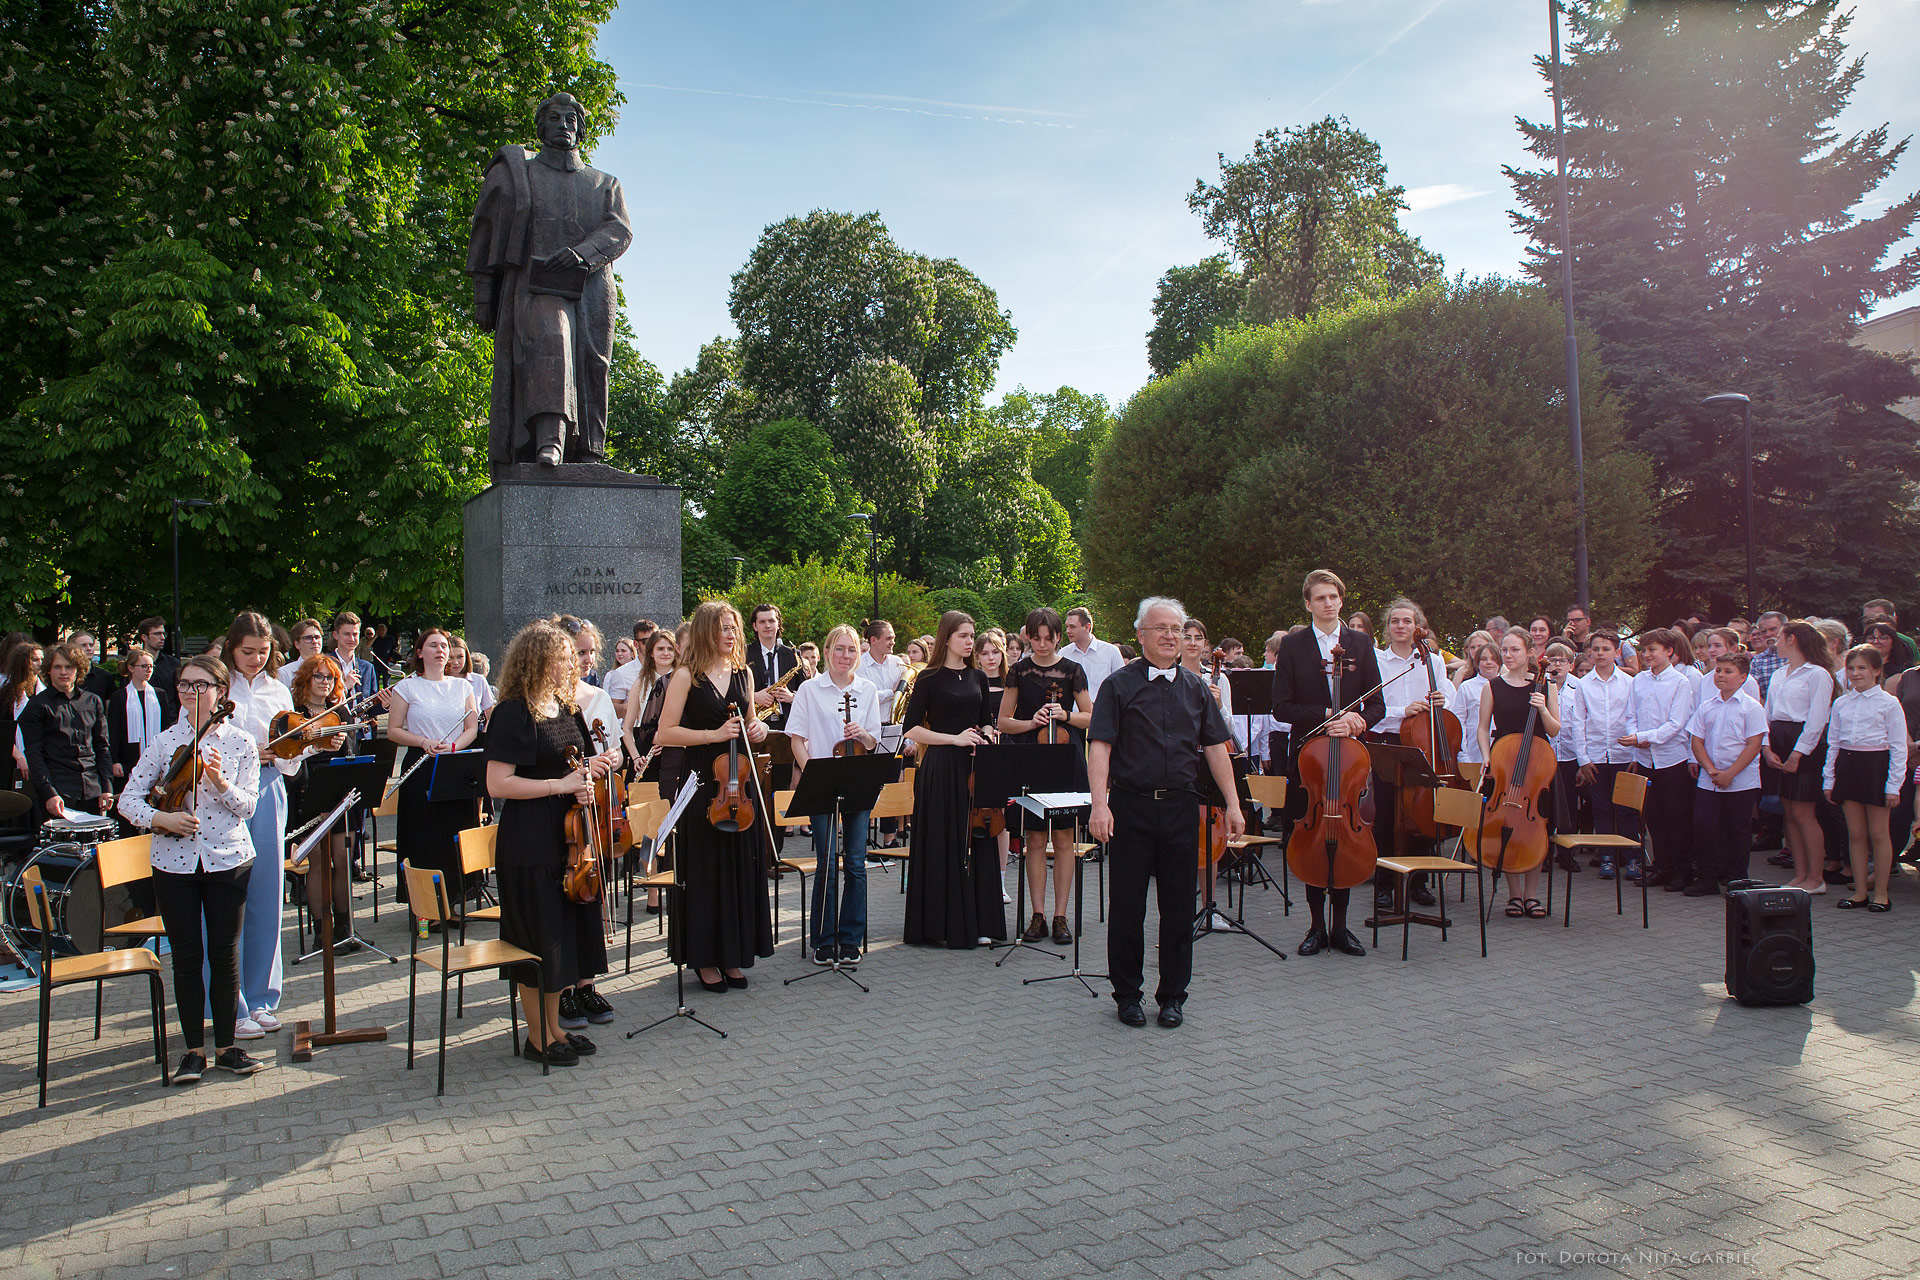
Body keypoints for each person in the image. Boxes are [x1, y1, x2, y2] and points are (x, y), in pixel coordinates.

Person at [1088, 597, 1240, 1029]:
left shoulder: (1195, 688)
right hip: (1130, 807)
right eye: (1161, 628)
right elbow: (1100, 746)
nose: (1171, 635)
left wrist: (1232, 803)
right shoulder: (1117, 686)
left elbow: (1215, 747)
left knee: (1177, 907)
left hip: (1180, 807)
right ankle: (1128, 995)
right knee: (1127, 907)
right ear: (1141, 635)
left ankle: (1173, 996)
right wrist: (1100, 804)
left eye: (1176, 628)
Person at [117, 654, 269, 1081]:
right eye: (184, 684)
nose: (190, 691)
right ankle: (193, 1051)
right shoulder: (164, 743)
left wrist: (222, 783)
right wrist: (162, 819)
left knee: (224, 954)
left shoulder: (240, 742)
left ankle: (228, 1047)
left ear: (221, 691)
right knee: (185, 957)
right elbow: (127, 801)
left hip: (229, 859)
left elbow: (249, 806)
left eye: (201, 685)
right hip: (172, 862)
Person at [483, 620, 620, 1066]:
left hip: (567, 835)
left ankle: (555, 1027)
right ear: (536, 661)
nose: (571, 665)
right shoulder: (512, 711)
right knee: (537, 936)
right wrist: (558, 786)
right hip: (529, 838)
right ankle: (536, 1037)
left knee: (562, 935)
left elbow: (573, 764)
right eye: (561, 658)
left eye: (571, 657)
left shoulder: (564, 707)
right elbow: (498, 784)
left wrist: (583, 781)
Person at [652, 601, 774, 991]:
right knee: (705, 870)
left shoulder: (743, 673)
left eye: (734, 628)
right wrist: (713, 735)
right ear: (706, 630)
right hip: (704, 780)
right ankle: (704, 960)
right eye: (724, 628)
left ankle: (733, 955)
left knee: (737, 866)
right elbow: (664, 732)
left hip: (737, 780)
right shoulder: (686, 675)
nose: (731, 635)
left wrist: (759, 731)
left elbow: (752, 721)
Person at [1270, 569, 1384, 956]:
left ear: (1341, 599)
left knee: (1346, 833)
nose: (1328, 603)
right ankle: (1316, 926)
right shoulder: (1294, 645)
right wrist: (1326, 714)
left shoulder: (1361, 643)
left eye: (1333, 596)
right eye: (1320, 598)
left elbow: (1378, 702)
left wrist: (1358, 719)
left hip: (1350, 760)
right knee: (1312, 836)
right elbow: (1281, 706)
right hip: (1310, 761)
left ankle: (1342, 927)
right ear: (1308, 603)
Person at [902, 611, 1003, 948]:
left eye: (971, 635)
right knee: (945, 841)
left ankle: (981, 921)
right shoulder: (929, 678)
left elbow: (987, 719)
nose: (969, 641)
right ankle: (941, 926)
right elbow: (912, 729)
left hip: (975, 768)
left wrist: (986, 734)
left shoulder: (978, 676)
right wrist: (954, 738)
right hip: (942, 768)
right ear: (946, 638)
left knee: (978, 839)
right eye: (963, 635)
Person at [222, 612, 302, 1036]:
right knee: (227, 894)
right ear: (232, 648)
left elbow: (291, 754)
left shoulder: (278, 689)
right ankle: (228, 1003)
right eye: (247, 651)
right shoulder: (220, 686)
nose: (255, 659)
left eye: (263, 651)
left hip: (269, 788)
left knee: (268, 893)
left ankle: (262, 998)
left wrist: (298, 746)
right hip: (222, 795)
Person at [786, 623, 883, 962]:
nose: (845, 656)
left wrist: (864, 735)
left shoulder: (868, 689)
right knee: (827, 862)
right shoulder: (810, 690)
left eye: (852, 650)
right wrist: (812, 772)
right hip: (823, 779)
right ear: (826, 653)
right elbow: (796, 739)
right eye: (839, 649)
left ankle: (851, 938)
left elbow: (873, 741)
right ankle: (824, 939)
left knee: (856, 862)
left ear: (859, 654)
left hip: (858, 778)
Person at [1000, 606, 1093, 946]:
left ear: (1057, 637)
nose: (1042, 644)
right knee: (1035, 840)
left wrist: (1064, 713)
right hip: (1031, 761)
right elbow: (1004, 722)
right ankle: (1037, 915)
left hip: (1066, 763)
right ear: (1028, 636)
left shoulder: (1072, 670)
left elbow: (1091, 718)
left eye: (1048, 638)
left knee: (1065, 840)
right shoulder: (1019, 672)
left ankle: (1061, 915)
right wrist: (1033, 721)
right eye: (1036, 638)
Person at [1367, 598, 1455, 912]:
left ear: (1417, 625)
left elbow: (1448, 698)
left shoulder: (1433, 660)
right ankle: (1385, 885)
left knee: (1422, 815)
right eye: (1395, 621)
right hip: (1388, 743)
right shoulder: (1376, 661)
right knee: (1387, 816)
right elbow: (1370, 708)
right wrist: (1402, 712)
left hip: (1423, 742)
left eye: (1407, 621)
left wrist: (1442, 700)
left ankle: (1418, 882)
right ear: (1388, 628)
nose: (1401, 626)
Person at [386, 628, 481, 908]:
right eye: (433, 645)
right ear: (419, 652)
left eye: (444, 646)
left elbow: (472, 727)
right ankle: (426, 905)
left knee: (454, 831)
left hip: (454, 764)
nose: (441, 651)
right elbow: (393, 730)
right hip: (421, 765)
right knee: (424, 835)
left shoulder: (463, 687)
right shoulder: (407, 687)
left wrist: (454, 747)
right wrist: (423, 741)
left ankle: (453, 899)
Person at [1477, 630, 1561, 919]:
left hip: (1537, 768)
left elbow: (1554, 729)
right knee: (1505, 829)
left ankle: (1532, 895)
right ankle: (1514, 895)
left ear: (1529, 653)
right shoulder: (1492, 686)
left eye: (1515, 650)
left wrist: (1542, 708)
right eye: (1506, 650)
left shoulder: (1545, 687)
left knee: (1536, 829)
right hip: (1504, 765)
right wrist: (1487, 756)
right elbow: (1482, 728)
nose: (1509, 655)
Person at [1824, 643, 1905, 912]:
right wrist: (1829, 779)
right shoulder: (1841, 703)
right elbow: (1833, 743)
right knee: (1855, 833)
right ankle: (1859, 892)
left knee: (1878, 833)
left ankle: (1880, 893)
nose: (1856, 673)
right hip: (1848, 766)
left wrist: (1893, 785)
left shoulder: (1889, 703)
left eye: (1862, 668)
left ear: (1877, 671)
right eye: (1851, 668)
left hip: (1876, 767)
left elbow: (1897, 746)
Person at [284, 656, 357, 946]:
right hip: (309, 794)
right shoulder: (293, 715)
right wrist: (314, 746)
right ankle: (322, 932)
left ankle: (344, 929)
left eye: (329, 678)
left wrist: (342, 743)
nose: (324, 682)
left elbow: (348, 756)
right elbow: (288, 758)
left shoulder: (338, 712)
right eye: (318, 677)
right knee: (318, 866)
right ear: (306, 680)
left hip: (338, 794)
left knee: (343, 862)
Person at [1762, 621, 1836, 894]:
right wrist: (1766, 747)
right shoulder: (1780, 673)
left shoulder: (1817, 674)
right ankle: (1800, 873)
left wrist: (1797, 753)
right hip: (1779, 739)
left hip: (1804, 744)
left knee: (1804, 813)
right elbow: (1768, 713)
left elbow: (1817, 720)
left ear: (1792, 639)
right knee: (1789, 812)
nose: (1775, 642)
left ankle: (1816, 878)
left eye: (1779, 637)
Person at [1687, 651, 1769, 895]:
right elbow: (1697, 740)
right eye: (1718, 671)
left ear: (1743, 677)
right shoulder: (1707, 706)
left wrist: (1730, 773)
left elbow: (1754, 744)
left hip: (1740, 780)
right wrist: (1712, 770)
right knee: (1704, 825)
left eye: (1728, 671)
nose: (1721, 675)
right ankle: (1707, 878)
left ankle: (1736, 879)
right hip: (1709, 778)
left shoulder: (1751, 708)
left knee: (1737, 829)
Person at [1624, 629, 1697, 888]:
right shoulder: (1639, 680)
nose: (1646, 655)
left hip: (1671, 758)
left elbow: (1677, 724)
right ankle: (1662, 866)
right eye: (1644, 650)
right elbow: (1631, 715)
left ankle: (1681, 870)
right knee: (1653, 816)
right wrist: (1636, 737)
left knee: (1675, 816)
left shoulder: (1680, 682)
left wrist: (1646, 736)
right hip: (1646, 758)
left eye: (1652, 650)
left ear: (1669, 651)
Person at [19, 643, 115, 823]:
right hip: (58, 791)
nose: (63, 672)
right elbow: (34, 755)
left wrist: (107, 787)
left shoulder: (93, 701)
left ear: (79, 669)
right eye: (57, 667)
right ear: (49, 670)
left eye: (69, 666)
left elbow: (102, 747)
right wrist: (49, 793)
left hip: (93, 789)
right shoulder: (37, 706)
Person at [1573, 631, 1638, 860]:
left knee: (1627, 809)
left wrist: (1634, 754)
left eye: (1606, 649)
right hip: (1596, 756)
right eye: (1596, 649)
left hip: (1624, 754)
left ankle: (1631, 857)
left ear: (1617, 652)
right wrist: (1583, 759)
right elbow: (1578, 722)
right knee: (1601, 808)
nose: (1600, 653)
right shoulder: (1583, 685)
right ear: (1589, 652)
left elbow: (1634, 718)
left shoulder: (1630, 682)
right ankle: (1606, 856)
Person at [975, 627, 1016, 904]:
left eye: (995, 652)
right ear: (977, 657)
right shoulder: (973, 682)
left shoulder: (1012, 683)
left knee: (1002, 822)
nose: (991, 658)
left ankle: (1000, 881)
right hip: (977, 754)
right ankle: (976, 878)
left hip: (1006, 754)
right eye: (985, 653)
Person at [107, 646, 176, 783]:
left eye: (151, 666)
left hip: (156, 755)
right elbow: (113, 730)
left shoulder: (159, 694)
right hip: (128, 758)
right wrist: (115, 760)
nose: (148, 670)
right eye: (144, 666)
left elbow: (165, 727)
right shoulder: (120, 696)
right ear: (131, 668)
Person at [2, 640, 44, 794]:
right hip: (13, 760)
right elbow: (3, 729)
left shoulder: (46, 692)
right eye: (35, 659)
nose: (40, 663)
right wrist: (19, 756)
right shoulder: (7, 694)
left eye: (42, 659)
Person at [1060, 606, 1126, 704]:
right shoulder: (1063, 654)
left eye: (1072, 627)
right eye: (1067, 626)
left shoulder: (1111, 652)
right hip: (1072, 716)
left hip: (1103, 713)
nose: (1068, 631)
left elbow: (1122, 686)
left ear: (1087, 627)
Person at [327, 611, 378, 705]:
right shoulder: (324, 665)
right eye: (346, 634)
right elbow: (321, 703)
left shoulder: (368, 667)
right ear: (336, 635)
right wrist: (345, 687)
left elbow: (371, 708)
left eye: (355, 634)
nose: (351, 639)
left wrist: (385, 704)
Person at [135, 616, 181, 694]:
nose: (163, 638)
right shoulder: (133, 664)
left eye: (163, 634)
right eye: (157, 634)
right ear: (144, 637)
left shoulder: (173, 663)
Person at [279, 619, 326, 689]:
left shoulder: (331, 669)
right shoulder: (285, 673)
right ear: (297, 644)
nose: (314, 641)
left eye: (317, 637)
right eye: (308, 638)